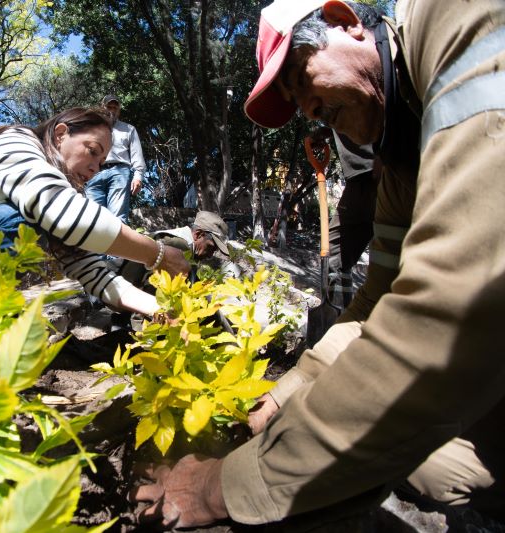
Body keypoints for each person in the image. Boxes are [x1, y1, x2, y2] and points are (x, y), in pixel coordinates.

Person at [132, 0, 505, 528]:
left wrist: (222, 488)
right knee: (429, 468)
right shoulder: (399, 163)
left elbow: (447, 305)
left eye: (298, 77)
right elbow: (376, 300)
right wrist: (286, 397)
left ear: (345, 21)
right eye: (292, 101)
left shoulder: (455, 15)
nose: (305, 107)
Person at [0, 107, 189, 334]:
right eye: (92, 152)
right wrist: (157, 254)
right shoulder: (15, 143)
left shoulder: (54, 196)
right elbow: (64, 215)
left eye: (102, 162)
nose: (96, 168)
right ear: (60, 134)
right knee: (18, 222)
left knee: (22, 223)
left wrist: (164, 311)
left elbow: (92, 272)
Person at [311, 126, 377, 309]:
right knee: (334, 255)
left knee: (390, 259)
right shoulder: (330, 107)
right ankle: (338, 317)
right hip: (357, 182)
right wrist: (328, 131)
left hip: (386, 173)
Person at [109, 210, 238, 288]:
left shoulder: (183, 242)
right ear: (198, 234)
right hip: (115, 289)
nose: (210, 255)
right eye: (210, 248)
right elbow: (154, 287)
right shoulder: (179, 246)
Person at [84, 95, 146, 224]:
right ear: (102, 107)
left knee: (118, 219)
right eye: (109, 107)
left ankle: (118, 244)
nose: (112, 110)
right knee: (92, 218)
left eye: (115, 107)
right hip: (95, 173)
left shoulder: (128, 129)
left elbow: (136, 154)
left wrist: (138, 176)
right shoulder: (92, 128)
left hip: (120, 171)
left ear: (119, 110)